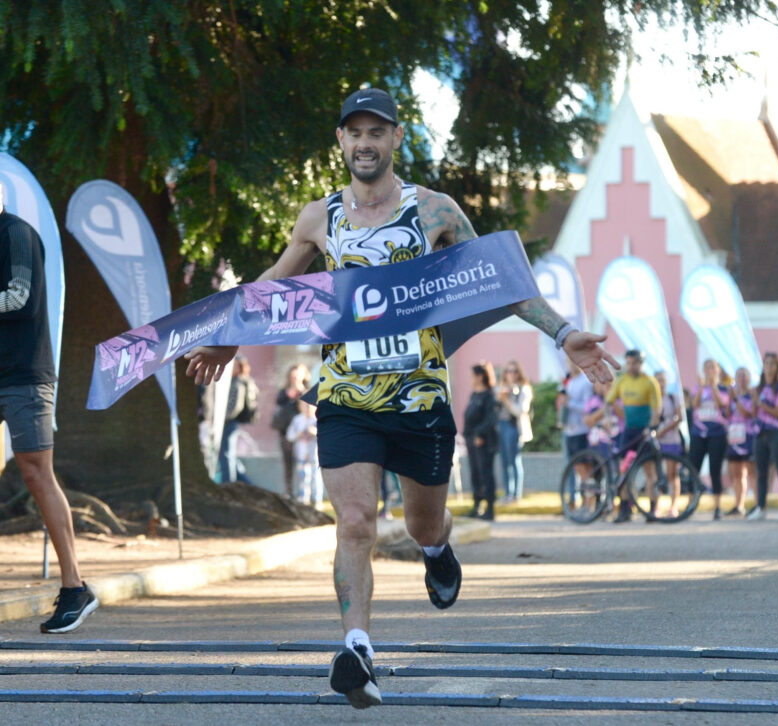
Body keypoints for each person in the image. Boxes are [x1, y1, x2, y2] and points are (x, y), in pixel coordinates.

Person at [183, 87, 617, 709]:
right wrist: (227, 338)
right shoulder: (319, 218)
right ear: (340, 140)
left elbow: (500, 280)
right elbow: (275, 284)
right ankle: (357, 650)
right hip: (346, 396)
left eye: (377, 132)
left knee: (420, 523)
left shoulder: (435, 211)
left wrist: (564, 332)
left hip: (419, 399)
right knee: (356, 521)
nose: (365, 143)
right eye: (355, 132)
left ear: (396, 138)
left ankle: (436, 550)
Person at [0, 196, 99, 633]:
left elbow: (18, 298)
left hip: (24, 376)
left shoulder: (16, 233)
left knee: (37, 474)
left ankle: (75, 589)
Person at [605, 349, 662, 522]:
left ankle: (653, 509)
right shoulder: (622, 381)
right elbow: (608, 402)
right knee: (624, 470)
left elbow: (656, 409)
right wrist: (608, 419)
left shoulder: (650, 382)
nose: (631, 366)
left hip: (644, 431)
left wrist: (652, 427)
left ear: (641, 364)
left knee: (650, 472)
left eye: (634, 363)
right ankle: (625, 509)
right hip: (629, 432)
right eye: (628, 363)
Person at [748, 352, 778, 520]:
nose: (769, 367)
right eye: (766, 363)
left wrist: (759, 402)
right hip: (760, 433)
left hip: (777, 432)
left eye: (773, 363)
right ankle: (761, 507)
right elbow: (754, 413)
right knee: (761, 472)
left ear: (777, 367)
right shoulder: (759, 388)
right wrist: (754, 401)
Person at [690, 359, 731, 520]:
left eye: (713, 367)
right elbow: (694, 404)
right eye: (707, 367)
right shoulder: (697, 388)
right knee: (693, 468)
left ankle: (717, 506)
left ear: (718, 370)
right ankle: (691, 504)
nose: (710, 370)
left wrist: (713, 386)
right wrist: (702, 387)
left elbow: (722, 404)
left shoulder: (723, 388)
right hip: (698, 433)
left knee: (715, 470)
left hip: (717, 433)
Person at [463, 361, 498, 520]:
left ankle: (490, 508)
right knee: (475, 474)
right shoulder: (474, 394)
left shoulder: (489, 396)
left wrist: (479, 434)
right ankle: (477, 506)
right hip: (471, 440)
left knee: (486, 474)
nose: (471, 378)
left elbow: (491, 419)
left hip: (483, 441)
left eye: (473, 375)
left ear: (480, 376)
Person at [496, 360, 533, 502]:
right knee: (504, 462)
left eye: (514, 371)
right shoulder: (502, 388)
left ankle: (516, 494)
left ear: (519, 373)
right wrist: (500, 398)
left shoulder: (524, 389)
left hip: (514, 427)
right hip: (502, 426)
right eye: (508, 371)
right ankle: (508, 493)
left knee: (514, 460)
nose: (511, 374)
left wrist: (507, 400)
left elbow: (521, 410)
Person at [272, 363, 311, 499]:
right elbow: (279, 402)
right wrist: (289, 394)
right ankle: (288, 491)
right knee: (288, 463)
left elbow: (308, 408)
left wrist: (299, 391)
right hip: (285, 432)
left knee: (304, 465)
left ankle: (304, 493)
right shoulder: (283, 392)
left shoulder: (306, 392)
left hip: (302, 435)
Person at [218, 355, 257, 485]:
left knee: (226, 454)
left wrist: (223, 418)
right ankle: (246, 484)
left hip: (229, 423)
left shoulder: (238, 382)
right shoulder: (235, 381)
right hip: (230, 422)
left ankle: (229, 484)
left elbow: (236, 406)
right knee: (229, 456)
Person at [725, 366, 757, 517]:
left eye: (744, 375)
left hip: (748, 436)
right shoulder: (733, 395)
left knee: (751, 471)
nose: (741, 379)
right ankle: (739, 504)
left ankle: (757, 503)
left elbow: (748, 413)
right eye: (739, 375)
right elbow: (727, 414)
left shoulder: (752, 395)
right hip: (734, 436)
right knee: (736, 472)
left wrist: (736, 399)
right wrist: (730, 400)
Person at [653, 371, 685, 519]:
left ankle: (673, 506)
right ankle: (657, 505)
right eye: (658, 380)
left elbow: (679, 417)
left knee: (672, 474)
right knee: (658, 474)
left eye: (662, 381)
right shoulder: (652, 399)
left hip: (671, 439)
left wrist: (664, 430)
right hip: (657, 441)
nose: (660, 384)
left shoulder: (673, 398)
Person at [286, 399, 323, 505]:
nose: (307, 408)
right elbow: (289, 436)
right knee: (303, 477)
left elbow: (324, 436)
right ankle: (304, 498)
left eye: (309, 406)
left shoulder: (317, 420)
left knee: (316, 477)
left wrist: (315, 432)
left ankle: (317, 499)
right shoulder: (297, 420)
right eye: (305, 406)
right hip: (301, 453)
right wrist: (298, 434)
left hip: (315, 454)